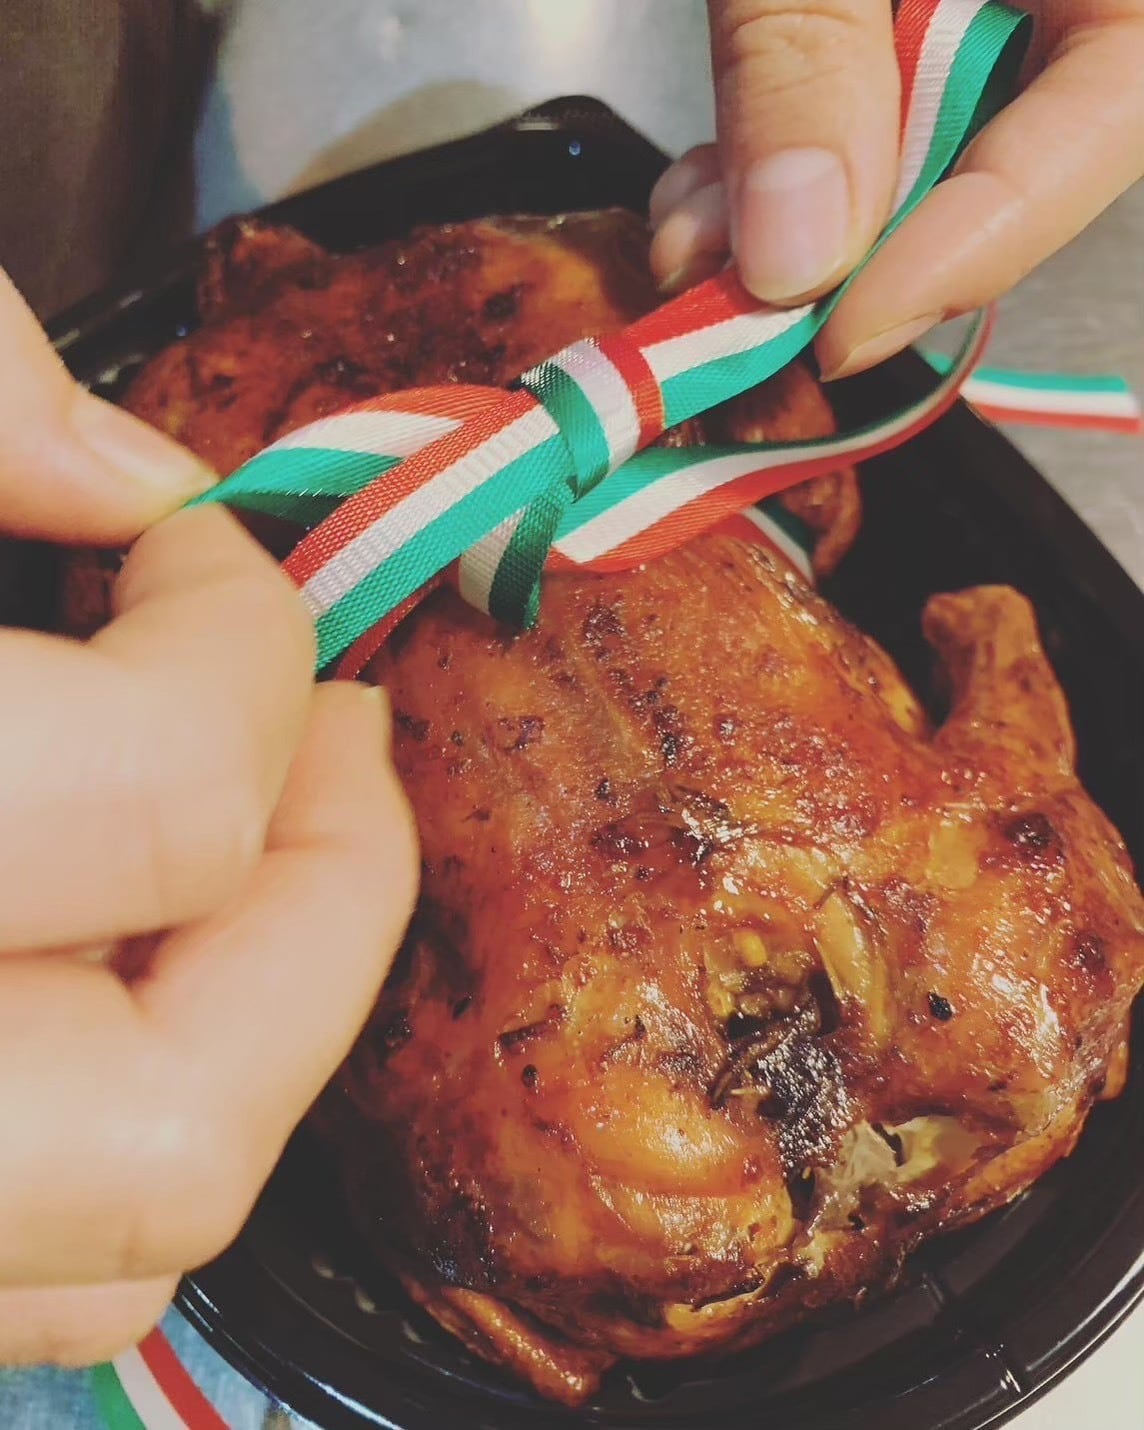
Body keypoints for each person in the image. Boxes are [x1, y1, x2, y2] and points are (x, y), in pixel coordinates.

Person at [0, 0, 1141, 1372]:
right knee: (1023, 965)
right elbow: (973, 603)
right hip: (750, 1069)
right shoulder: (560, 285)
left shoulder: (179, 424)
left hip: (603, 1150)